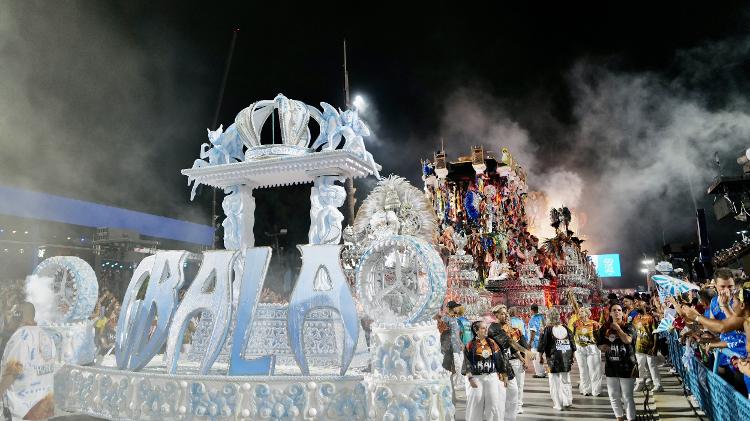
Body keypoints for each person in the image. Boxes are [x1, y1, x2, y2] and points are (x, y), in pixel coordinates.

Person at [0, 303, 56, 421]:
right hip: (43, 408)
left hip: (21, 411)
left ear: (19, 315)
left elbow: (13, 371)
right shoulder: (47, 336)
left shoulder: (21, 337)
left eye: (13, 314)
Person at [598, 302, 638, 421]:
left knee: (627, 396)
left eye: (619, 310)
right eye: (614, 310)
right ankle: (619, 417)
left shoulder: (629, 326)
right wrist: (602, 347)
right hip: (611, 366)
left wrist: (618, 328)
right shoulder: (604, 328)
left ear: (623, 313)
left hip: (627, 366)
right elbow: (599, 343)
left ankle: (631, 418)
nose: (617, 312)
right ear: (610, 313)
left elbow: (627, 340)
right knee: (613, 395)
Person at [462, 321, 508, 421]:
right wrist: (470, 378)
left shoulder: (492, 343)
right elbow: (466, 363)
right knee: (475, 403)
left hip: (491, 376)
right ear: (476, 330)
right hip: (476, 377)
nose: (486, 330)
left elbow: (499, 359)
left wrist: (504, 375)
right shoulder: (470, 345)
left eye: (486, 328)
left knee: (493, 403)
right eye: (483, 328)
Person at [489, 304, 528, 415]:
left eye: (506, 314)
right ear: (496, 315)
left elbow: (515, 347)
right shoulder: (494, 328)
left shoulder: (515, 331)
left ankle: (513, 411)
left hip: (510, 364)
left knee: (515, 388)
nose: (505, 316)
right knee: (502, 392)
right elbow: (508, 343)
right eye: (502, 314)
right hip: (500, 365)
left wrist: (522, 358)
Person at [537, 308, 576, 410]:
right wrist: (573, 356)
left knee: (554, 382)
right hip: (566, 357)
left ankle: (558, 404)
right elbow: (573, 344)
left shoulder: (547, 329)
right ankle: (567, 401)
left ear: (548, 317)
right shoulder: (566, 328)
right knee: (566, 380)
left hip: (553, 358)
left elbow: (542, 344)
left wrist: (540, 357)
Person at [632, 299, 662, 392]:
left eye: (638, 305)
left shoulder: (650, 318)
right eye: (636, 305)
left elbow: (655, 333)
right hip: (638, 347)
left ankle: (658, 385)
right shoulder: (635, 318)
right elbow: (634, 332)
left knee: (652, 366)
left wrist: (655, 347)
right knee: (639, 366)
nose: (636, 307)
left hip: (649, 347)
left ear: (644, 306)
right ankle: (640, 383)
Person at [572, 306, 602, 396]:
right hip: (579, 349)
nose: (579, 313)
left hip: (592, 349)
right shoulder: (575, 323)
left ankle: (596, 390)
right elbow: (573, 335)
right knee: (582, 370)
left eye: (581, 311)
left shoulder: (594, 324)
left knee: (594, 370)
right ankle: (586, 389)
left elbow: (599, 337)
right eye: (579, 312)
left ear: (587, 313)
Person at [443, 301, 466, 394]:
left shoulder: (456, 319)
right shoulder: (446, 319)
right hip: (451, 347)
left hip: (458, 346)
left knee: (461, 365)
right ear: (452, 308)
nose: (458, 309)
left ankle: (459, 382)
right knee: (457, 366)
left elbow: (458, 333)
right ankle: (456, 384)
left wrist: (461, 343)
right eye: (456, 307)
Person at [528, 304, 547, 378]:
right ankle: (543, 371)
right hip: (543, 339)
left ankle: (540, 373)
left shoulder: (532, 319)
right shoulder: (542, 317)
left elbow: (533, 331)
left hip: (536, 341)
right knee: (541, 356)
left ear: (531, 310)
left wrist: (530, 343)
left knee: (536, 357)